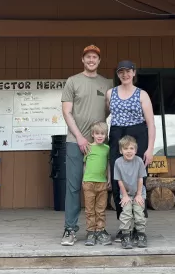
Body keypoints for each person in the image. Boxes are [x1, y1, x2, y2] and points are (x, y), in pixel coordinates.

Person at [60, 45, 113, 246]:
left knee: (100, 186)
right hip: (76, 142)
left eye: (95, 57)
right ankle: (70, 230)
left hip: (99, 145)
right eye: (88, 57)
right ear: (82, 60)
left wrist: (97, 134)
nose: (91, 60)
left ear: (99, 61)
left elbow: (108, 110)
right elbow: (66, 112)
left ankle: (99, 230)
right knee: (73, 187)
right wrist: (81, 137)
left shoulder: (106, 83)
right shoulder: (73, 81)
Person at [106, 60, 156, 242]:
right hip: (117, 134)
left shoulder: (142, 95)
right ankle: (124, 226)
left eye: (128, 71)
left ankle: (139, 226)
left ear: (134, 73)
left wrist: (150, 149)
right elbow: (104, 117)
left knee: (138, 179)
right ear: (117, 74)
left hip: (138, 135)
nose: (125, 74)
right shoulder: (110, 93)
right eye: (121, 72)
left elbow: (151, 124)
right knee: (117, 178)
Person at [114, 135, 148, 249]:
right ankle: (125, 235)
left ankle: (141, 234)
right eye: (126, 148)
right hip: (126, 193)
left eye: (131, 148)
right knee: (126, 212)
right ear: (121, 150)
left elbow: (140, 179)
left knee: (139, 212)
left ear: (136, 150)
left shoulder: (139, 161)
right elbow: (119, 180)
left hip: (138, 192)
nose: (129, 151)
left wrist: (139, 195)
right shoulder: (118, 162)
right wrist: (124, 195)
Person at [82, 121, 112, 246]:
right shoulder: (88, 147)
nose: (100, 136)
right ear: (93, 134)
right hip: (89, 182)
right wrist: (84, 179)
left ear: (106, 135)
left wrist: (109, 178)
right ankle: (90, 232)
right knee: (90, 210)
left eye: (103, 134)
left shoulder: (107, 149)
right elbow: (85, 164)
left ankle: (100, 231)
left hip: (102, 183)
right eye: (97, 133)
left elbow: (108, 165)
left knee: (100, 209)